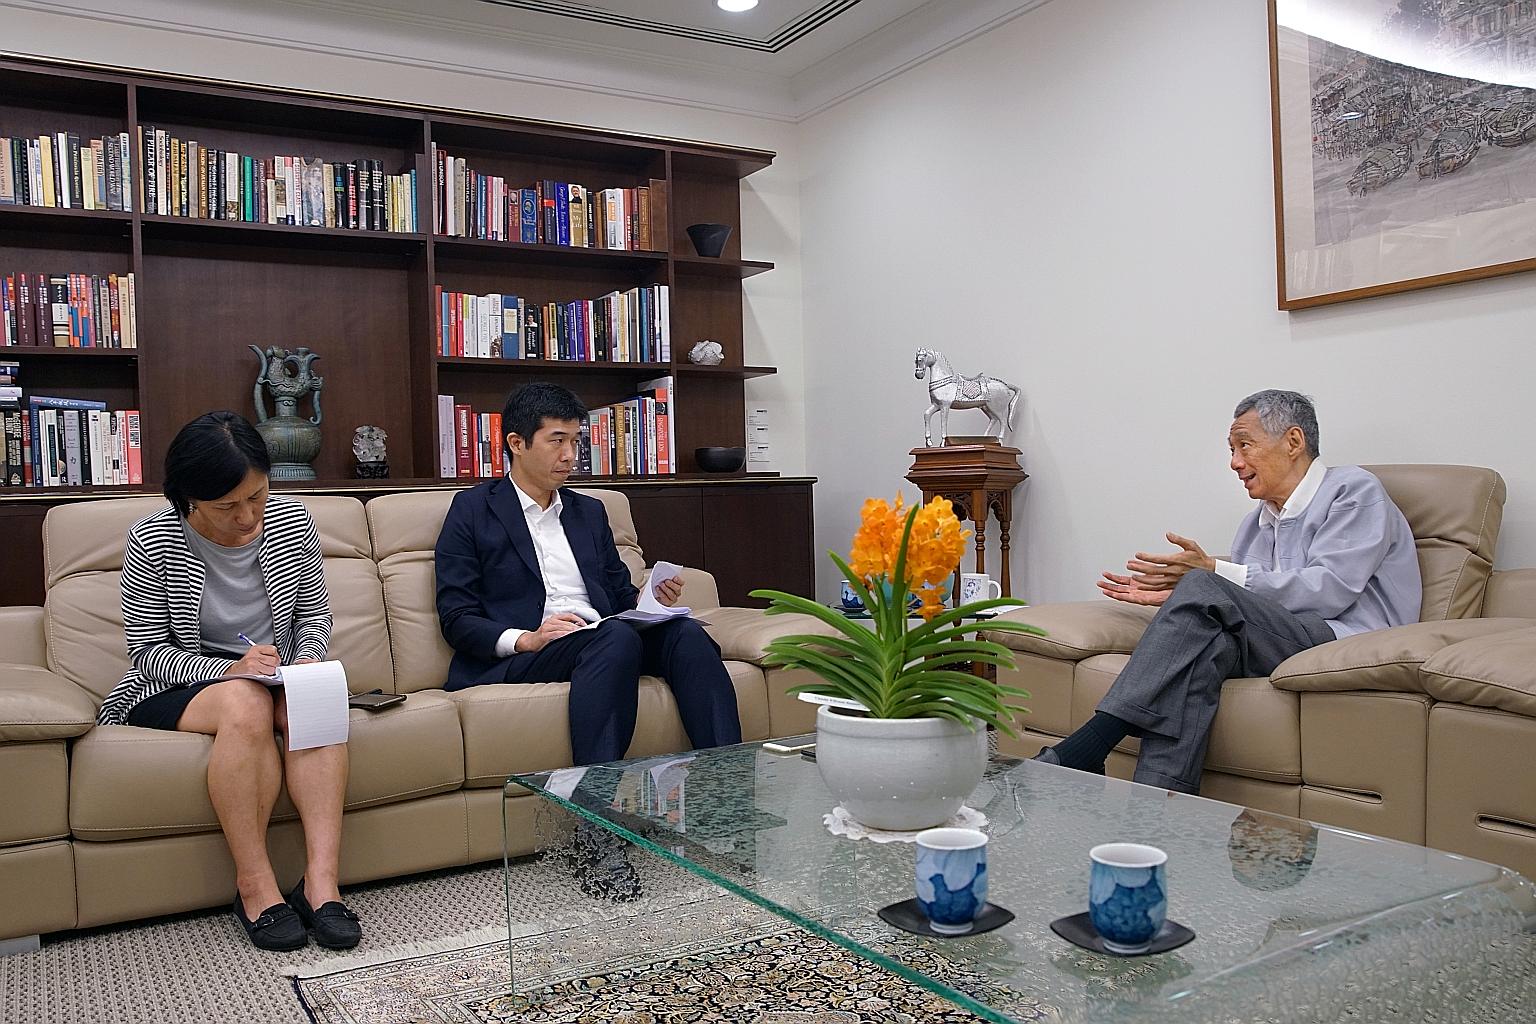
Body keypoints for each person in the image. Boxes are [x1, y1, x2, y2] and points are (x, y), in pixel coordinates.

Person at [434, 382, 742, 896]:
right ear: (516, 443)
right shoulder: (472, 510)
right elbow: (456, 615)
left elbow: (617, 594)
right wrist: (526, 639)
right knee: (616, 642)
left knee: (686, 634)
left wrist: (652, 601)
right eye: (556, 441)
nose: (570, 455)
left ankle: (729, 806)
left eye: (575, 442)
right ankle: (597, 831)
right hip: (537, 648)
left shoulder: (588, 511)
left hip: (604, 633)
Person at [1035, 390, 1421, 795]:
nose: (1234, 462)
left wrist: (1211, 580)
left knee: (1204, 587)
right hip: (1283, 639)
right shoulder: (1256, 523)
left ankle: (1094, 740)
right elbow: (1244, 606)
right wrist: (1182, 602)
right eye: (1231, 449)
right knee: (1204, 647)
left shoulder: (1354, 491)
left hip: (1348, 642)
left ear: (1293, 442)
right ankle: (1155, 813)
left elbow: (1330, 591)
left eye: (1244, 445)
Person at [97, 411, 360, 952]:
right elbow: (147, 652)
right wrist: (231, 670)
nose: (247, 517)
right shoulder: (153, 538)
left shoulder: (293, 519)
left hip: (274, 674)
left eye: (257, 497)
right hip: (179, 683)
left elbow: (314, 619)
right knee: (244, 703)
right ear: (189, 499)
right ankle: (255, 886)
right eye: (227, 506)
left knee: (315, 699)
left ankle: (320, 886)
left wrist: (304, 665)